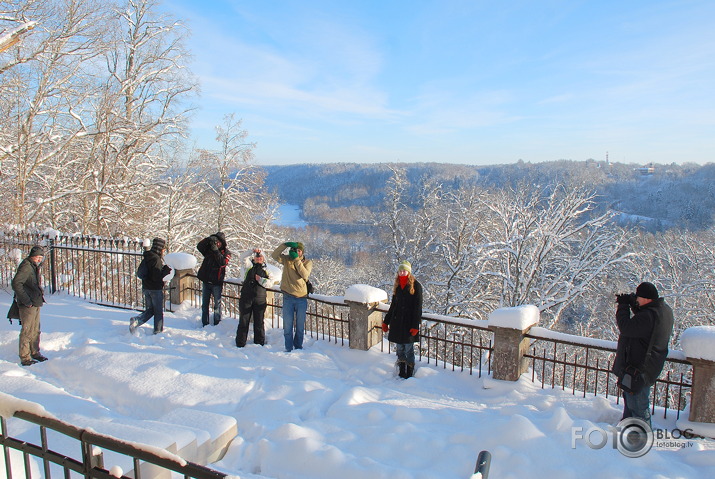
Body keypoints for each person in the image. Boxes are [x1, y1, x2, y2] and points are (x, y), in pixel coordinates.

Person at [612, 281, 674, 427]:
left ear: (646, 299)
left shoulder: (649, 316)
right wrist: (634, 304)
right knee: (631, 399)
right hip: (648, 365)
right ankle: (627, 426)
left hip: (639, 369)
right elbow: (643, 323)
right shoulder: (662, 310)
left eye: (638, 297)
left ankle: (641, 436)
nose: (637, 300)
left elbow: (626, 327)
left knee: (638, 405)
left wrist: (623, 306)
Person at [382, 260, 422, 379]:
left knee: (409, 349)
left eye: (404, 270)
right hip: (397, 323)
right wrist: (386, 321)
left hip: (409, 324)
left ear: (409, 272)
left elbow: (418, 307)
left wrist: (415, 325)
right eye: (400, 271)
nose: (402, 272)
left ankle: (409, 372)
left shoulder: (416, 286)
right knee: (400, 349)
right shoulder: (398, 286)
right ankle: (401, 371)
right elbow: (393, 306)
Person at [271, 241, 313, 352]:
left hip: (301, 297)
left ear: (302, 252)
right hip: (288, 297)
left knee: (300, 327)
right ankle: (288, 348)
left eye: (299, 250)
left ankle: (298, 347)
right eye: (295, 250)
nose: (296, 252)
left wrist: (296, 260)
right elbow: (274, 255)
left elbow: (304, 274)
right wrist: (284, 245)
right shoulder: (287, 260)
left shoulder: (307, 262)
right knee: (287, 326)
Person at [10, 246, 48, 366]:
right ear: (32, 256)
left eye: (41, 257)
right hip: (28, 305)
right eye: (37, 257)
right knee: (27, 330)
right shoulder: (26, 266)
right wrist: (26, 300)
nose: (39, 259)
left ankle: (35, 352)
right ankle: (25, 357)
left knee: (35, 330)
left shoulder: (33, 266)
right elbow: (16, 283)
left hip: (35, 302)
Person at [130, 238, 172, 334]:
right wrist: (165, 271)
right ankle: (158, 330)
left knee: (151, 310)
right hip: (155, 289)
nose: (164, 250)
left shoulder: (148, 256)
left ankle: (137, 320)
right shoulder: (156, 259)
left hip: (146, 287)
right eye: (163, 248)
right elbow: (156, 277)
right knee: (157, 311)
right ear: (159, 248)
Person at [236, 248, 272, 347]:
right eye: (257, 257)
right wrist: (252, 251)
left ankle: (259, 342)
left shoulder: (267, 270)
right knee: (244, 320)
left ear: (264, 259)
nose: (259, 258)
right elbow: (242, 257)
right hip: (246, 297)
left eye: (261, 257)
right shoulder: (248, 266)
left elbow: (270, 283)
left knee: (259, 322)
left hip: (259, 299)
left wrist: (261, 280)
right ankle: (240, 342)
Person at [197, 232, 231, 326]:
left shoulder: (226, 253)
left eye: (218, 242)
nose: (217, 243)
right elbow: (199, 246)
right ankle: (205, 323)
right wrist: (208, 239)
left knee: (217, 304)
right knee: (205, 304)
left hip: (217, 282)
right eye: (215, 241)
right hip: (206, 281)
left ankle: (217, 323)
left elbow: (222, 262)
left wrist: (216, 251)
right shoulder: (209, 250)